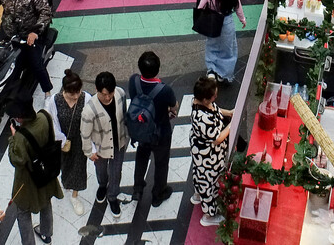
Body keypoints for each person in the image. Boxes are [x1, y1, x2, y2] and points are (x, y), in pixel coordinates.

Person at [7, 107, 64, 244]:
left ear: (19, 118)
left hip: (27, 181)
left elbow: (17, 160)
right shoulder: (44, 117)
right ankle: (46, 233)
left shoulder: (20, 137)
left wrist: (13, 139)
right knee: (46, 202)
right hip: (46, 171)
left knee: (22, 212)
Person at [129, 51, 178, 207]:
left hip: (141, 130)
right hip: (160, 132)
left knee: (141, 157)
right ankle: (158, 194)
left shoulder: (133, 81)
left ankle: (137, 188)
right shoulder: (164, 90)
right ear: (158, 69)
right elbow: (173, 105)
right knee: (161, 163)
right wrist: (171, 111)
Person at [81, 72, 129, 221]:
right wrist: (89, 152)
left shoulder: (120, 94)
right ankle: (102, 185)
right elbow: (85, 133)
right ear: (96, 90)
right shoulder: (89, 110)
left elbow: (124, 115)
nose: (108, 97)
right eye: (104, 94)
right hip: (100, 148)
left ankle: (112, 197)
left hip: (119, 143)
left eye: (110, 93)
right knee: (101, 170)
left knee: (116, 172)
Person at [189, 75, 233, 226]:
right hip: (209, 155)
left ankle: (197, 195)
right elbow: (218, 138)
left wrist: (229, 113)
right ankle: (209, 215)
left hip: (200, 151)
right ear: (206, 99)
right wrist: (230, 126)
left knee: (199, 175)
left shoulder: (197, 102)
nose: (216, 96)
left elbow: (216, 110)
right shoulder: (203, 118)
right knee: (209, 182)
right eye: (214, 95)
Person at [46, 70, 91, 216]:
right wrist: (62, 140)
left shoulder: (86, 99)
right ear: (65, 90)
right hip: (61, 141)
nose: (76, 96)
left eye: (78, 92)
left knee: (78, 167)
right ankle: (65, 182)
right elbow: (52, 122)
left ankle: (75, 195)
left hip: (80, 140)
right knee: (62, 164)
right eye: (72, 94)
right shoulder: (54, 100)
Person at [199, 0, 248, 84]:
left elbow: (200, 7)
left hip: (213, 23)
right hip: (227, 23)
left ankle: (211, 70)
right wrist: (243, 19)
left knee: (212, 46)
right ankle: (223, 74)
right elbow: (238, 7)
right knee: (228, 49)